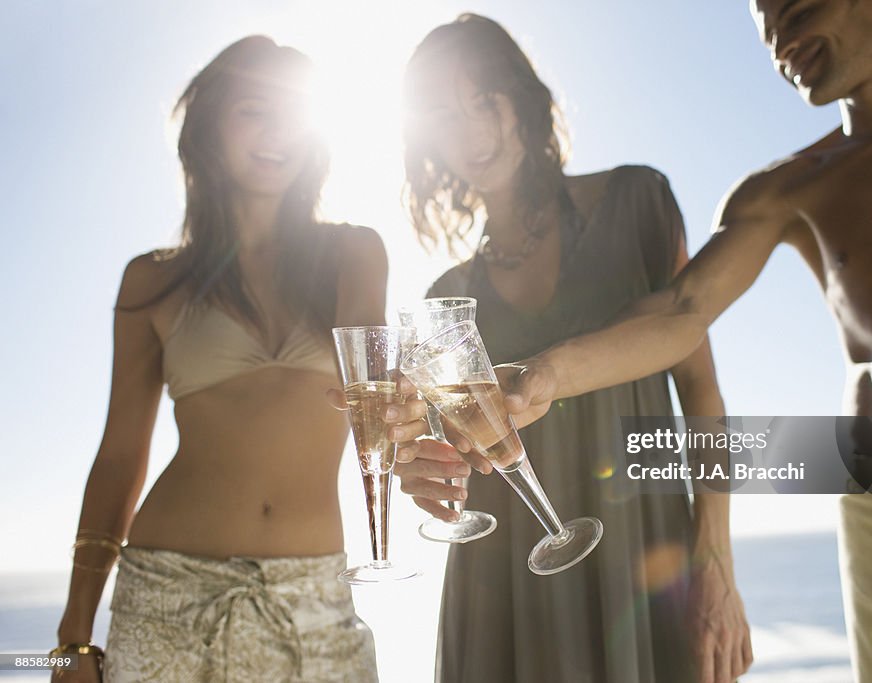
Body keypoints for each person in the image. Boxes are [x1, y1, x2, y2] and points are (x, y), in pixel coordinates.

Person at [487, 1, 872, 681]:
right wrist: (545, 373)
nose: (783, 45)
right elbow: (684, 307)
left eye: (797, 11)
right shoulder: (784, 188)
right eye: (769, 30)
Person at [394, 14, 752, 683]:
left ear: (523, 101)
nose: (471, 130)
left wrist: (717, 560)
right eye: (445, 114)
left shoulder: (638, 202)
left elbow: (704, 396)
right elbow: (448, 457)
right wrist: (418, 470)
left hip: (644, 559)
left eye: (485, 101)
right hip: (500, 586)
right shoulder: (446, 295)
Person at [52, 36, 384, 682]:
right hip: (167, 598)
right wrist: (73, 635)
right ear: (209, 131)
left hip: (314, 605)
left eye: (291, 112)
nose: (276, 131)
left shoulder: (353, 255)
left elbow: (378, 396)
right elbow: (120, 457)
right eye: (253, 110)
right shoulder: (151, 281)